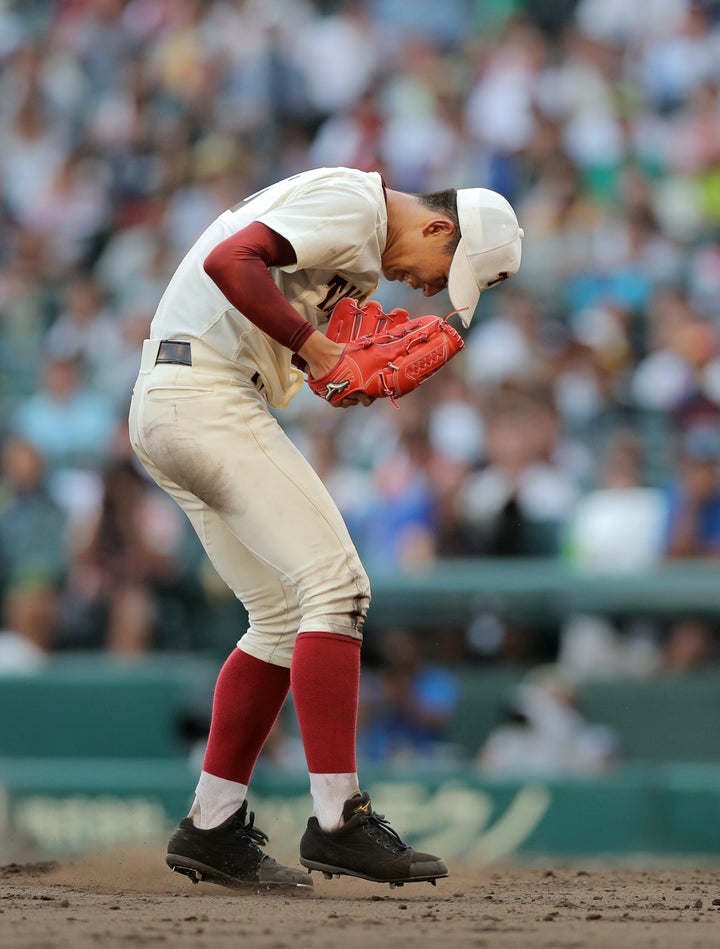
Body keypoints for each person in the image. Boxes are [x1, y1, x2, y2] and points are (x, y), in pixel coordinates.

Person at [128, 165, 522, 889]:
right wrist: (316, 349)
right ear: (438, 228)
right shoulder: (352, 204)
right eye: (448, 270)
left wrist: (333, 368)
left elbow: (320, 362)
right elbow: (228, 261)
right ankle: (338, 819)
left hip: (179, 399)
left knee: (282, 619)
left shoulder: (360, 255)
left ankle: (211, 824)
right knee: (337, 587)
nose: (435, 291)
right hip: (204, 396)